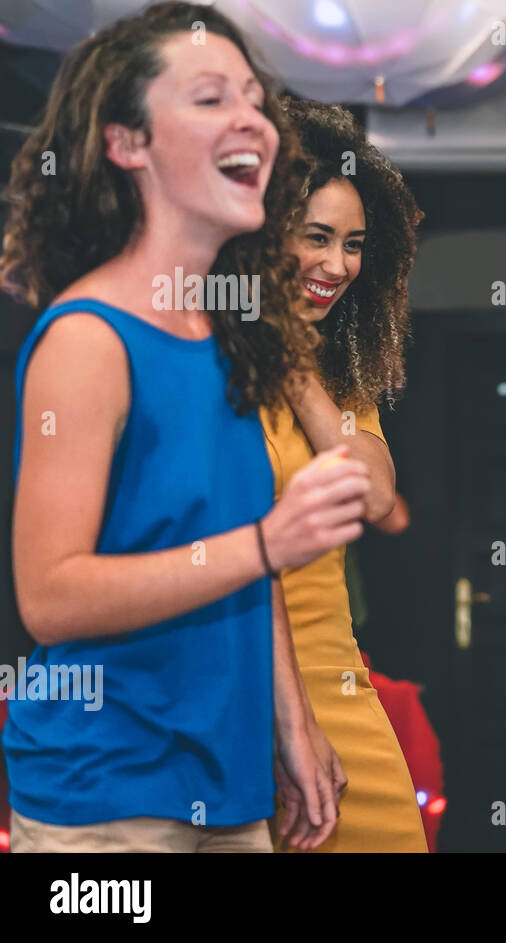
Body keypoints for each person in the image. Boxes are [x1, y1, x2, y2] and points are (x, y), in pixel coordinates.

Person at [0, 2, 365, 852]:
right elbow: (50, 597)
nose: (251, 118)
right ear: (127, 144)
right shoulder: (88, 338)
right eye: (209, 98)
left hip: (229, 787)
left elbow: (241, 560)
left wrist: (293, 726)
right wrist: (271, 541)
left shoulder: (225, 336)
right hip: (105, 799)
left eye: (252, 96)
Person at [264, 97, 426, 851]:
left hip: (337, 684)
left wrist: (292, 361)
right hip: (241, 689)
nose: (338, 265)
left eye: (354, 244)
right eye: (317, 237)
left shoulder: (338, 380)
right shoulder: (208, 365)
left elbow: (376, 492)